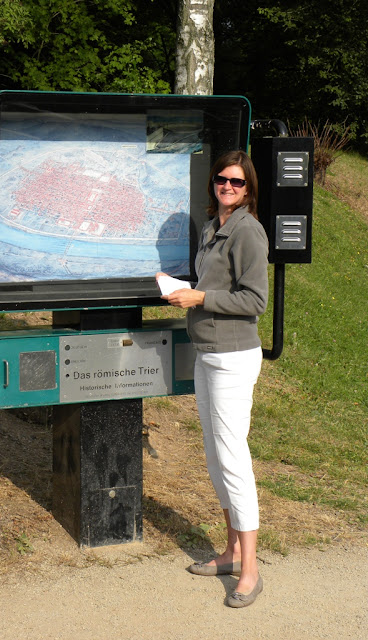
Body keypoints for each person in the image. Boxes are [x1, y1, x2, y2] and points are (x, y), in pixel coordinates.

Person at [156, 149, 268, 608]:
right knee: (215, 454)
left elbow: (254, 300)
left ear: (249, 189)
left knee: (233, 459)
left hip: (233, 357)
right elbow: (211, 285)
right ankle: (229, 551)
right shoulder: (212, 226)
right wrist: (180, 288)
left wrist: (199, 298)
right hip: (207, 353)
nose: (227, 186)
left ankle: (251, 570)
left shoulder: (248, 232)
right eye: (222, 179)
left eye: (237, 182)